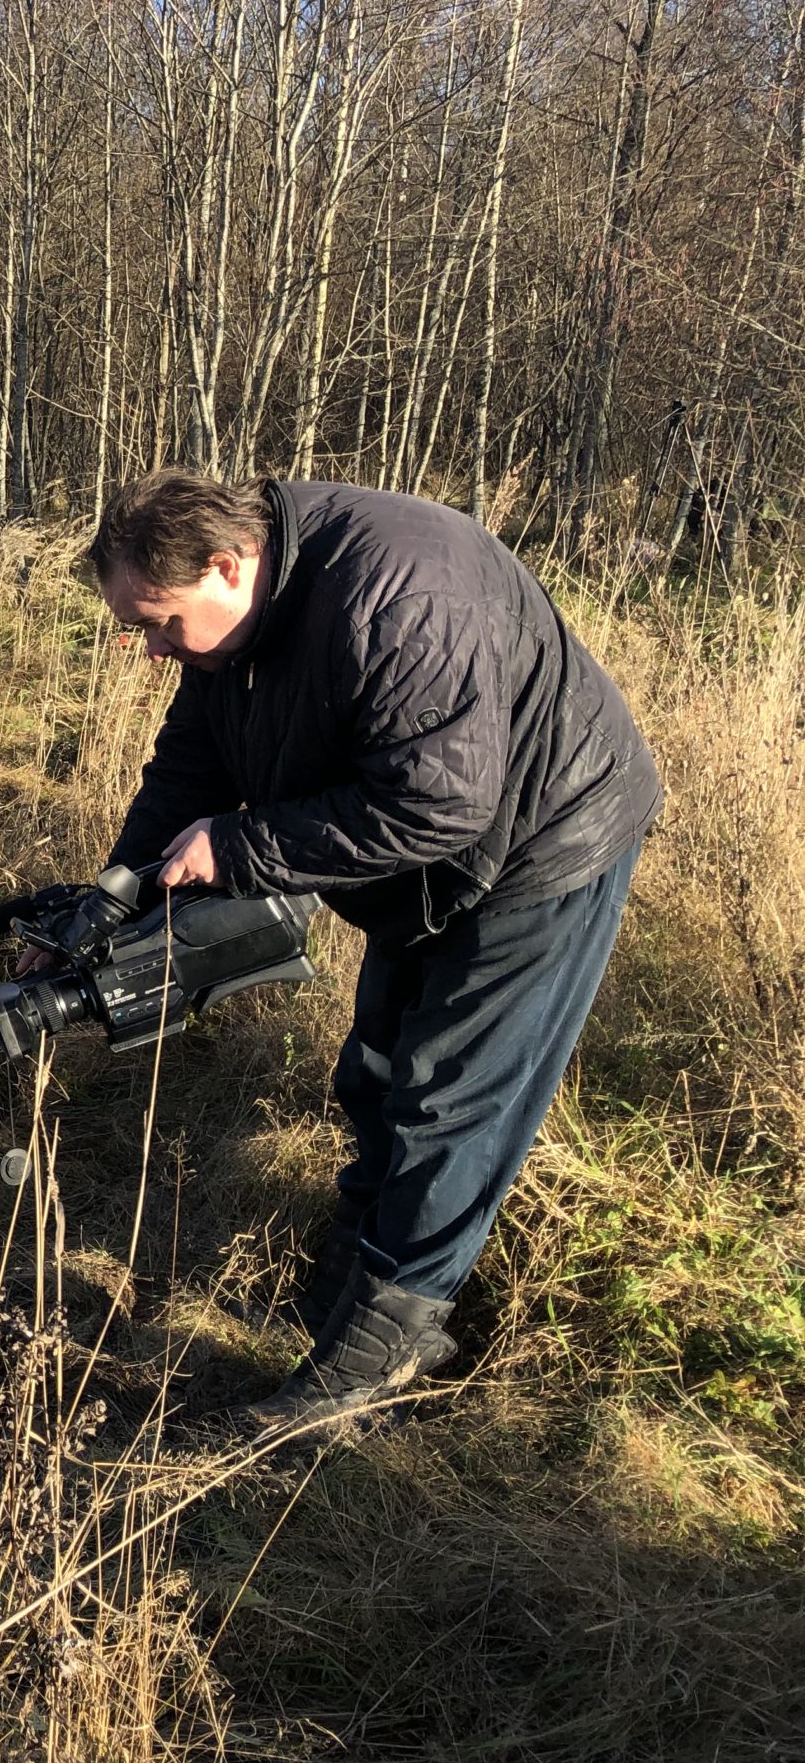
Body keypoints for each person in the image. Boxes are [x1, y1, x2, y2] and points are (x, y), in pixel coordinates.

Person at [86, 470, 661, 1436]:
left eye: (159, 624)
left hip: (539, 845)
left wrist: (239, 848)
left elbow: (440, 800)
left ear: (228, 567)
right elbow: (193, 761)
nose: (151, 651)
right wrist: (115, 896)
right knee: (381, 1071)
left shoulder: (400, 596)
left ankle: (374, 1362)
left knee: (449, 1101)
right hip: (419, 865)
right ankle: (352, 1281)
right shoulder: (235, 628)